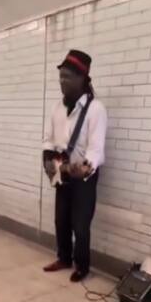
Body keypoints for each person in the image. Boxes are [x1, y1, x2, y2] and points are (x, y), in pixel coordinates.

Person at [42, 50, 107, 282]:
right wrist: (49, 160)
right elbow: (49, 138)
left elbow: (96, 149)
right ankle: (64, 258)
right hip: (62, 171)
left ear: (82, 78)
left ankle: (82, 266)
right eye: (61, 76)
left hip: (84, 177)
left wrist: (83, 168)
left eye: (68, 77)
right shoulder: (57, 108)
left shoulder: (96, 109)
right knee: (61, 220)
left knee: (80, 225)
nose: (62, 81)